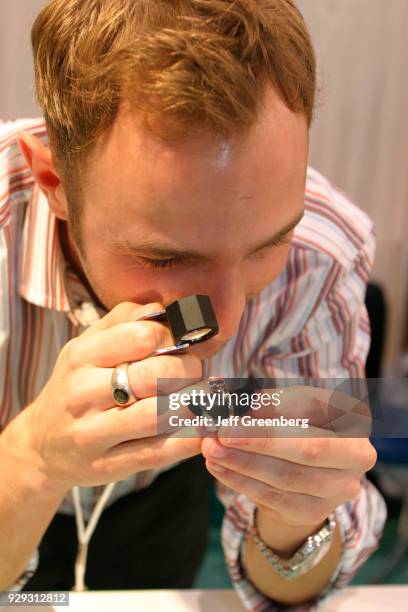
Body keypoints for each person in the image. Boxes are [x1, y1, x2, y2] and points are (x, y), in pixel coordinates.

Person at [0, 0, 386, 609]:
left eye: (268, 243)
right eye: (164, 258)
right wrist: (33, 460)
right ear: (54, 186)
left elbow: (290, 589)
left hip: (161, 508)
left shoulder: (322, 256)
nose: (225, 323)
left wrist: (296, 520)